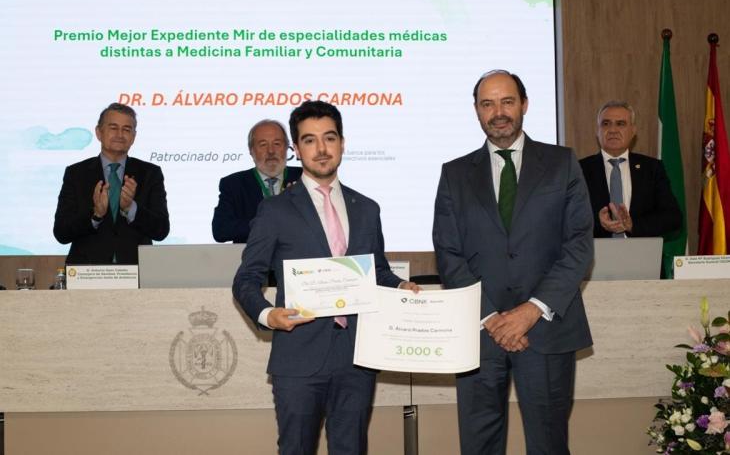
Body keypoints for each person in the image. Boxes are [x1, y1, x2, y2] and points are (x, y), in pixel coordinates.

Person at [232, 100, 418, 455]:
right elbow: (246, 278)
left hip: (357, 357)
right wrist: (267, 315)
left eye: (329, 138)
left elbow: (377, 270)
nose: (321, 148)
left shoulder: (367, 208)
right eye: (309, 140)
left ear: (342, 143)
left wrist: (400, 286)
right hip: (298, 356)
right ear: (296, 149)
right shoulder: (274, 210)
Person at [432, 70, 594, 455]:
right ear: (476, 110)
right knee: (479, 445)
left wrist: (530, 311)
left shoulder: (562, 163)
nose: (498, 112)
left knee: (549, 445)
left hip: (546, 330)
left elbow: (578, 245)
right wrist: (491, 317)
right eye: (487, 104)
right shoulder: (455, 174)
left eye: (507, 101)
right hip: (479, 333)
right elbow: (448, 252)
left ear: (524, 104)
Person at [53, 103, 169, 264]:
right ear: (98, 132)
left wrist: (131, 208)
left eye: (126, 129)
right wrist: (96, 215)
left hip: (137, 270)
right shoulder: (76, 173)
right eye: (113, 128)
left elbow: (161, 230)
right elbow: (61, 232)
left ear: (133, 137)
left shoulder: (150, 173)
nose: (120, 134)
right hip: (88, 271)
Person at [579, 100, 682, 238]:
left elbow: (673, 218)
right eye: (606, 123)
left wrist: (632, 225)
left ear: (633, 131)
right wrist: (597, 223)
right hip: (596, 250)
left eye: (620, 124)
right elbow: (567, 218)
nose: (613, 130)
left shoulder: (652, 168)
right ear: (598, 131)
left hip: (640, 250)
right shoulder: (579, 170)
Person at [212, 120, 302, 243]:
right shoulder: (234, 184)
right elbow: (221, 230)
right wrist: (267, 224)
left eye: (277, 143)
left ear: (287, 147)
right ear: (251, 150)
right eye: (263, 144)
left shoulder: (305, 178)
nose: (271, 151)